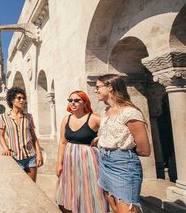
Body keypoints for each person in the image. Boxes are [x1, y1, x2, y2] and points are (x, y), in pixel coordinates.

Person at [95, 74, 151, 213]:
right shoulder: (105, 111)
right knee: (114, 208)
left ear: (110, 87)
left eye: (98, 87)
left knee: (127, 209)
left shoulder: (130, 112)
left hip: (123, 165)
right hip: (103, 162)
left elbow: (144, 150)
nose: (96, 91)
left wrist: (121, 151)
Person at [55, 91, 107, 213]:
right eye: (70, 100)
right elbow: (62, 142)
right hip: (69, 160)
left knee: (89, 189)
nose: (73, 103)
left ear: (85, 103)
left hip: (88, 158)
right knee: (68, 191)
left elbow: (113, 128)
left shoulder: (93, 118)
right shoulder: (66, 119)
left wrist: (98, 139)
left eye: (77, 100)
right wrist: (59, 163)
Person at [0, 87, 43, 181]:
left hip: (30, 157)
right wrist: (5, 148)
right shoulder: (4, 117)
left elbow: (34, 137)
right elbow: (1, 136)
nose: (22, 100)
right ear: (12, 100)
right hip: (15, 158)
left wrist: (39, 154)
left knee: (32, 186)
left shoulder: (29, 117)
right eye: (19, 98)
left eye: (23, 98)